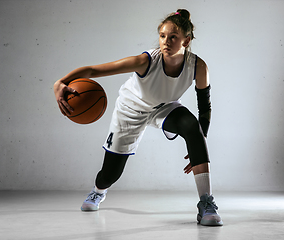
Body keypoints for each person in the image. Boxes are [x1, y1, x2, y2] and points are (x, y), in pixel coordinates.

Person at [53, 9, 223, 226]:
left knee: (192, 126)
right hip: (130, 109)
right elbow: (95, 70)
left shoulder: (198, 66)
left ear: (186, 41)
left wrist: (199, 142)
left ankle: (206, 204)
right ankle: (98, 191)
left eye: (173, 37)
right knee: (110, 174)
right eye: (162, 36)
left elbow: (205, 107)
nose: (166, 41)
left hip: (163, 107)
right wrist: (60, 82)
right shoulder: (146, 61)